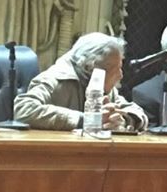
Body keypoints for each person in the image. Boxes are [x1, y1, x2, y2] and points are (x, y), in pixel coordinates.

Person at [14, 32, 148, 131]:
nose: (121, 75)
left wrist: (123, 120)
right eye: (114, 69)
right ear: (90, 68)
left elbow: (136, 112)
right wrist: (83, 120)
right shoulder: (55, 79)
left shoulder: (105, 88)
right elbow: (22, 109)